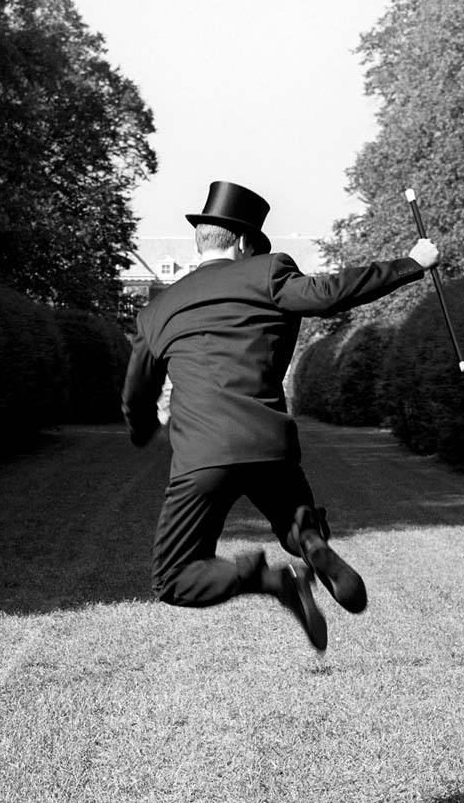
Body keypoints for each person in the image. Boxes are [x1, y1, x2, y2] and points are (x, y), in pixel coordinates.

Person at [122, 181, 439, 652]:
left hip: (202, 456)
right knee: (296, 517)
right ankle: (311, 544)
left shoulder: (157, 311)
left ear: (204, 240)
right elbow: (332, 292)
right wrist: (413, 264)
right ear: (245, 243)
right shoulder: (268, 273)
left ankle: (271, 581)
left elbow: (135, 396)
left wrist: (144, 429)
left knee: (174, 579)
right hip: (270, 445)